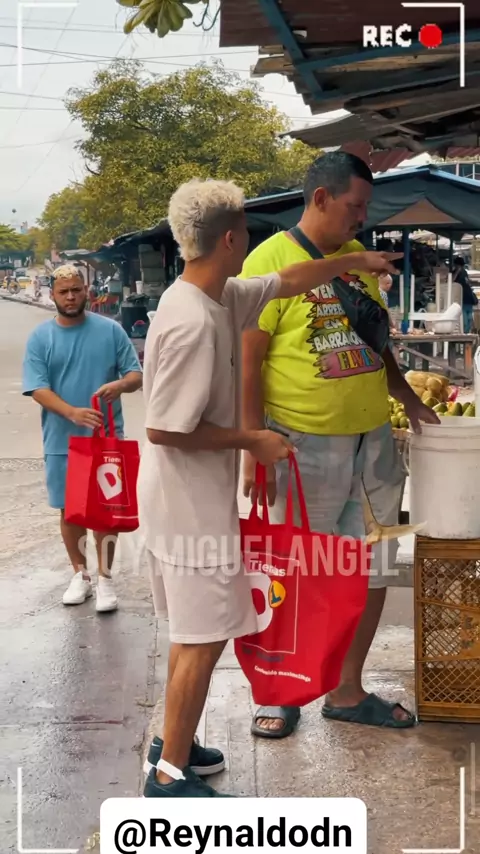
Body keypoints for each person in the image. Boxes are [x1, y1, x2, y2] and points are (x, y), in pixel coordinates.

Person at [138, 177, 402, 799]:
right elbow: (164, 428)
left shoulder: (213, 295)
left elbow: (286, 280)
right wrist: (251, 441)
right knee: (201, 639)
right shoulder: (192, 322)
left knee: (192, 633)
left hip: (190, 504)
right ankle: (169, 777)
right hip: (188, 509)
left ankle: (176, 743)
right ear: (231, 239)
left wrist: (355, 262)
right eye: (246, 231)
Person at [241, 152, 438, 739]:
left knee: (372, 569)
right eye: (355, 205)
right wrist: (253, 442)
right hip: (301, 444)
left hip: (372, 442)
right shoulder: (269, 260)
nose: (361, 217)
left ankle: (347, 690)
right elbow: (247, 360)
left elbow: (377, 345)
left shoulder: (358, 263)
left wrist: (408, 399)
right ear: (321, 198)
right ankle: (281, 690)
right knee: (295, 570)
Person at [22, 265, 143, 612]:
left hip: (106, 438)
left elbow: (135, 375)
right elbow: (38, 388)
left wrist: (120, 385)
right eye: (64, 292)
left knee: (106, 511)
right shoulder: (41, 338)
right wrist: (72, 413)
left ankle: (105, 579)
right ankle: (81, 575)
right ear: (52, 295)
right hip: (61, 441)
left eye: (76, 290)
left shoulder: (111, 331)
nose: (71, 297)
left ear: (86, 291)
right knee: (70, 511)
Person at [453, 256, 478, 333]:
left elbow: (467, 283)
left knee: (469, 319)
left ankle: (466, 333)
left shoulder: (464, 273)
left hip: (468, 300)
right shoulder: (455, 273)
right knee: (465, 321)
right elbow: (452, 281)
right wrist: (457, 272)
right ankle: (465, 334)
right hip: (462, 300)